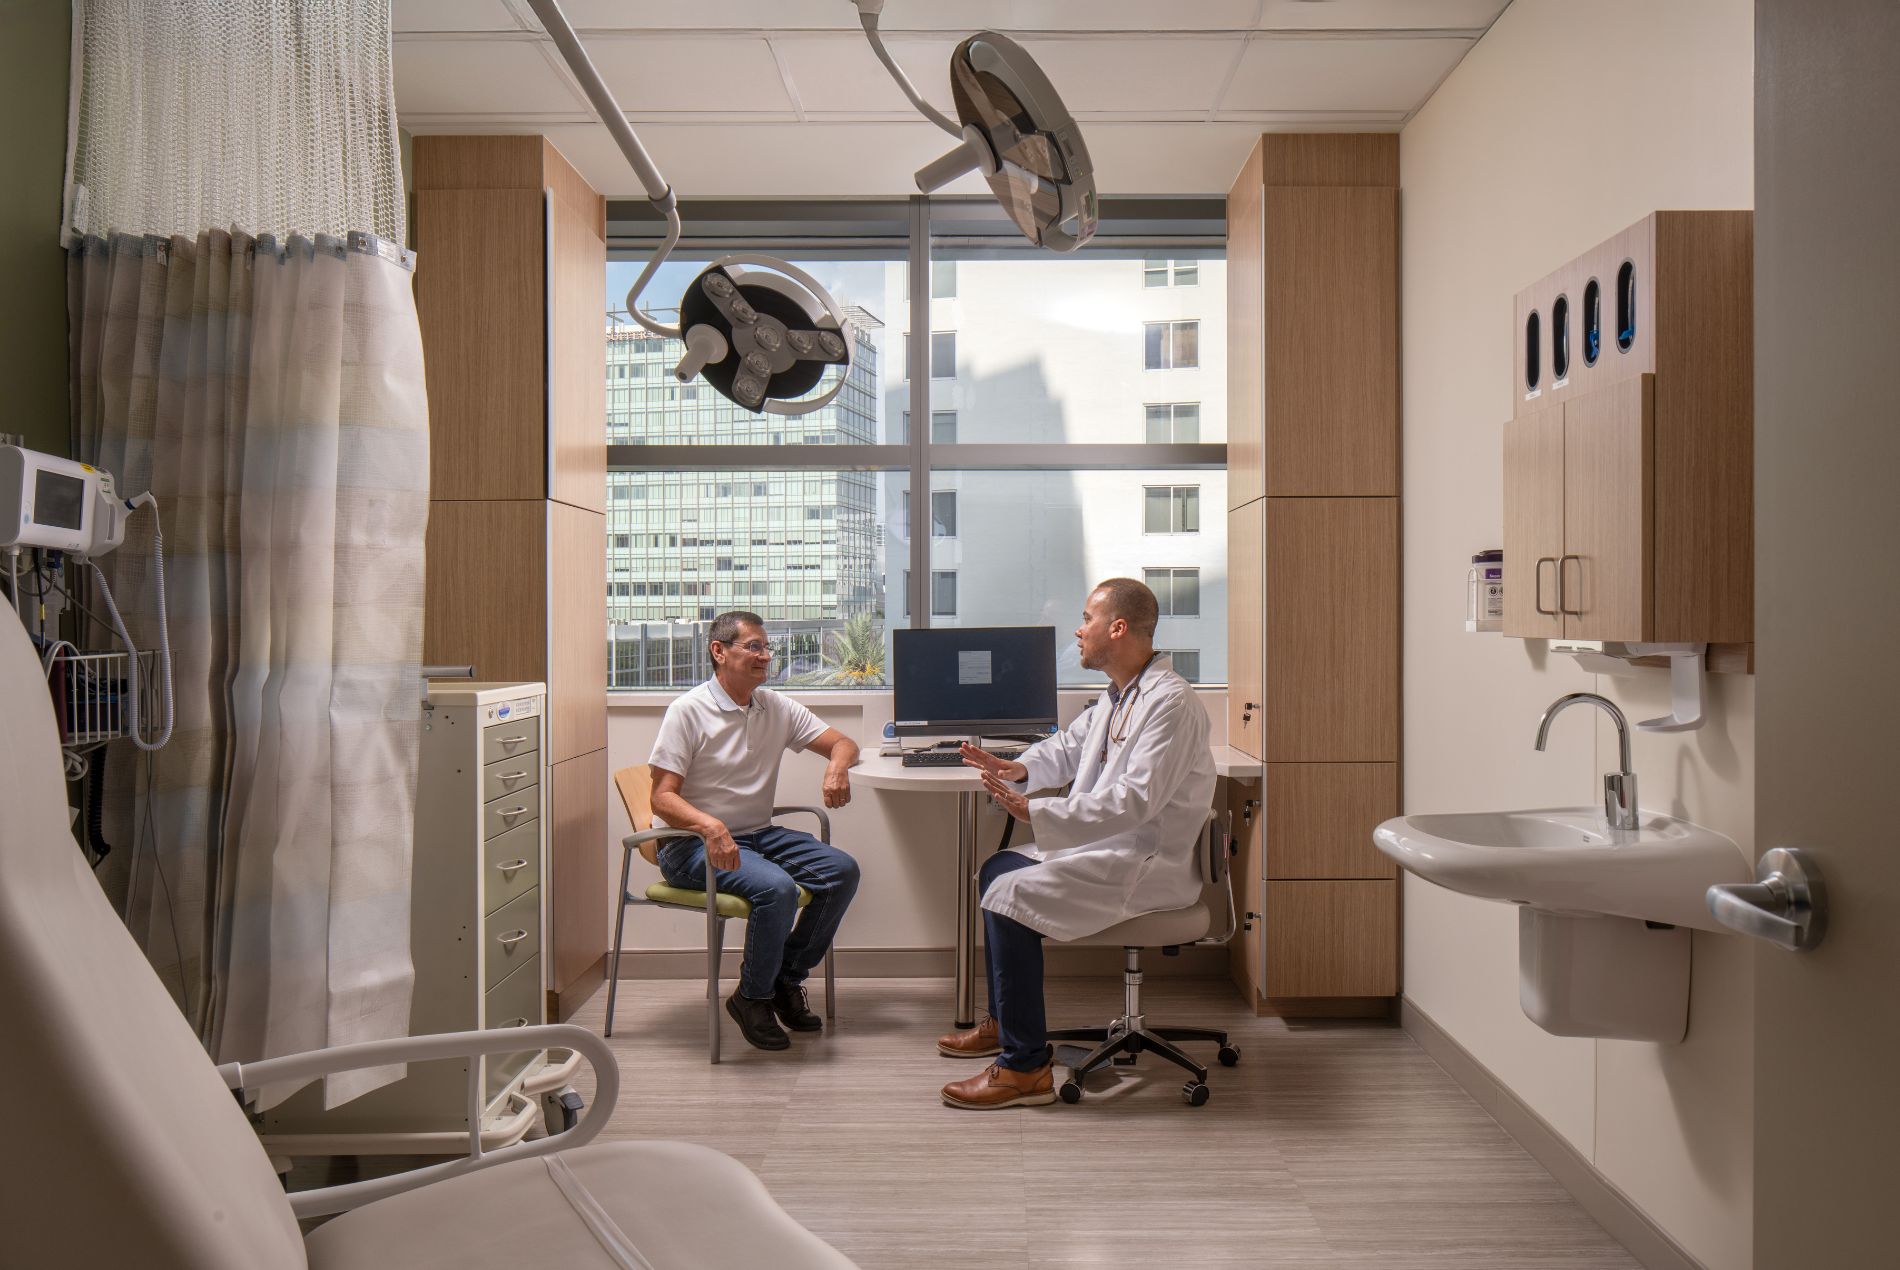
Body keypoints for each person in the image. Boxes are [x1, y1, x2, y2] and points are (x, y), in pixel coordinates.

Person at [936, 578, 1216, 1109]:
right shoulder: (1121, 693)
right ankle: (1006, 1021)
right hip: (1109, 845)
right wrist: (1018, 767)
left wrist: (1037, 811)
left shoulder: (1170, 704)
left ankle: (1024, 1069)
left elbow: (1135, 801)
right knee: (997, 870)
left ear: (1117, 627)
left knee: (1005, 898)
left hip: (1144, 860)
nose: (1078, 629)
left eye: (1087, 618)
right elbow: (1068, 747)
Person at [649, 610, 862, 1052]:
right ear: (719, 651)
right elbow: (661, 798)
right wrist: (710, 826)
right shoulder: (688, 711)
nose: (765, 656)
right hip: (688, 844)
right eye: (754, 647)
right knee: (778, 890)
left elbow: (843, 743)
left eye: (767, 648)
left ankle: (784, 980)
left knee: (841, 871)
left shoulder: (774, 706)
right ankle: (753, 997)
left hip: (756, 834)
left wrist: (837, 769)